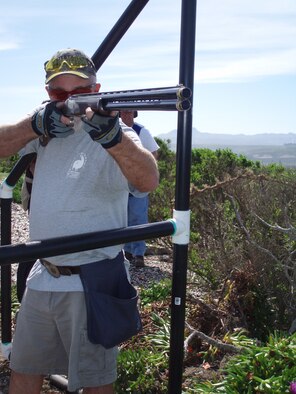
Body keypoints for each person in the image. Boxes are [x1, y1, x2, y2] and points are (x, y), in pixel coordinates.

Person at [0, 48, 159, 394]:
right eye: (60, 94)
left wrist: (111, 138)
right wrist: (34, 124)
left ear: (96, 89)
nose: (69, 101)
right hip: (44, 271)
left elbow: (148, 180)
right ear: (48, 96)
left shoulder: (117, 131)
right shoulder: (44, 124)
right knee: (23, 372)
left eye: (79, 93)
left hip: (92, 278)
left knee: (95, 383)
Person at [120, 111, 159, 268]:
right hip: (120, 183)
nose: (126, 115)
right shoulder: (114, 129)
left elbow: (154, 153)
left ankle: (138, 253)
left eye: (129, 112)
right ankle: (126, 251)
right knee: (123, 218)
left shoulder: (142, 131)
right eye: (123, 112)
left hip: (138, 182)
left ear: (134, 114)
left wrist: (145, 173)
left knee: (138, 217)